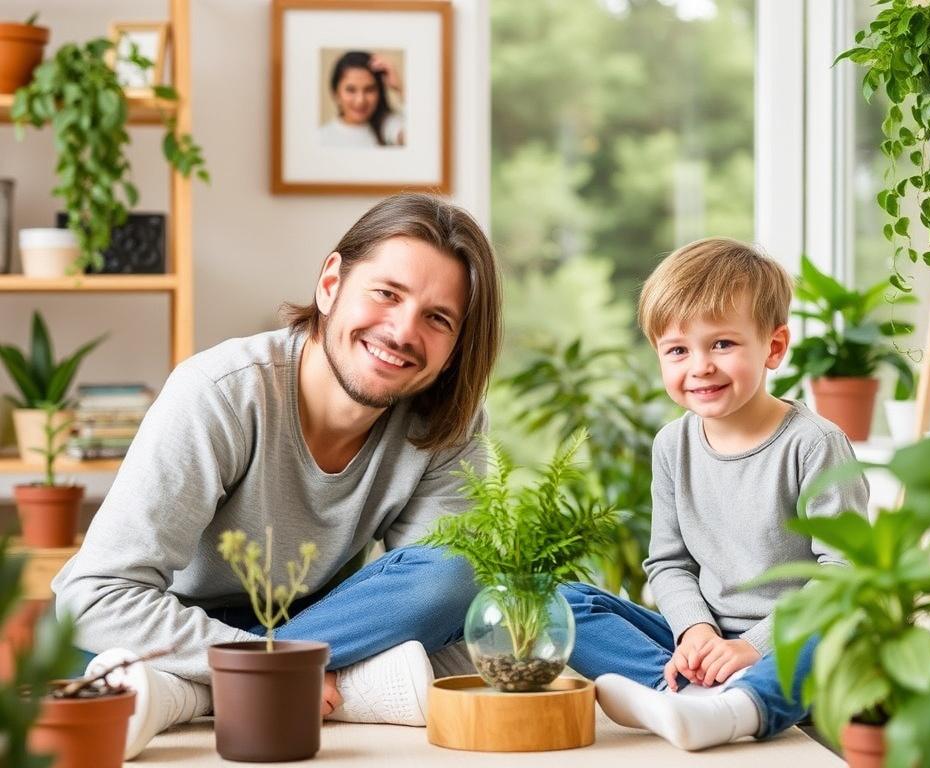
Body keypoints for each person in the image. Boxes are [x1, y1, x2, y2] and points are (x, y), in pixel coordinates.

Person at [52, 193, 502, 758]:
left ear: (456, 347)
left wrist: (270, 658)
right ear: (331, 283)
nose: (402, 331)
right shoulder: (221, 392)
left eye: (438, 319)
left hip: (332, 626)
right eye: (387, 294)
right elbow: (93, 598)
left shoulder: (449, 422)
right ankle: (317, 685)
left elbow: (439, 593)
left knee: (466, 581)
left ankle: (189, 694)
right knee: (89, 649)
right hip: (174, 625)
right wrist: (268, 661)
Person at [559, 237, 869, 750]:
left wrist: (753, 646)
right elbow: (669, 563)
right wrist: (696, 633)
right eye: (678, 350)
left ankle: (740, 704)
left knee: (832, 636)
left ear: (774, 347)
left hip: (788, 640)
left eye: (722, 344)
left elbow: (843, 575)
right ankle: (677, 689)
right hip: (709, 641)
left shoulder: (815, 444)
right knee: (561, 601)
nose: (700, 366)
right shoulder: (671, 445)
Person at [319, 51, 405, 148]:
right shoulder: (321, 137)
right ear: (335, 93)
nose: (360, 101)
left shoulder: (391, 126)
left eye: (369, 89)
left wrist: (401, 89)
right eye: (351, 90)